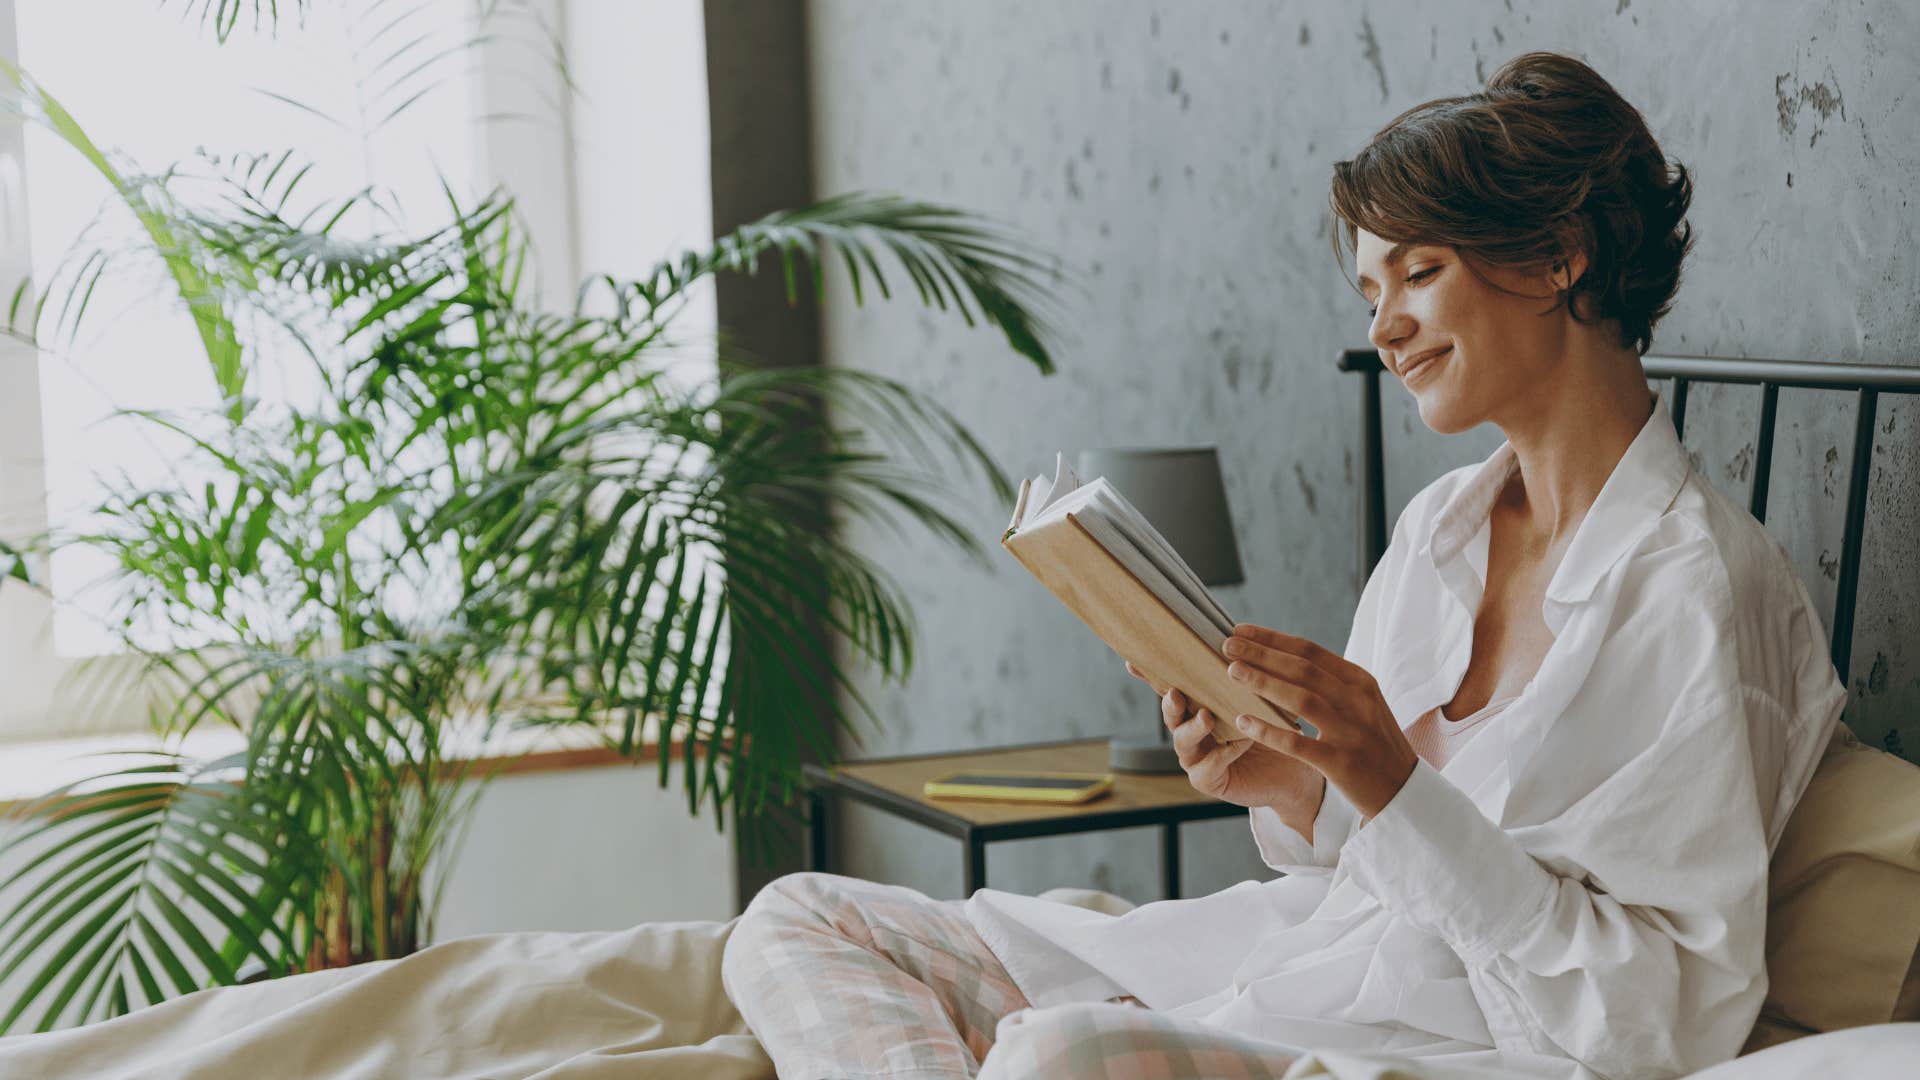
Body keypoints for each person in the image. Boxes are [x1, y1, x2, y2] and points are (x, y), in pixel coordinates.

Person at [721, 51, 1847, 1079]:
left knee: (1052, 1056)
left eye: (1418, 272)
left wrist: (1390, 782)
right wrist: (1294, 784)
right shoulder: (1440, 529)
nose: (1386, 330)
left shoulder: (1700, 591)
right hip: (1291, 962)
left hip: (1441, 1038)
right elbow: (1363, 861)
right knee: (799, 913)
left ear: (1559, 255)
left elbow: (1666, 1018)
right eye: (1372, 293)